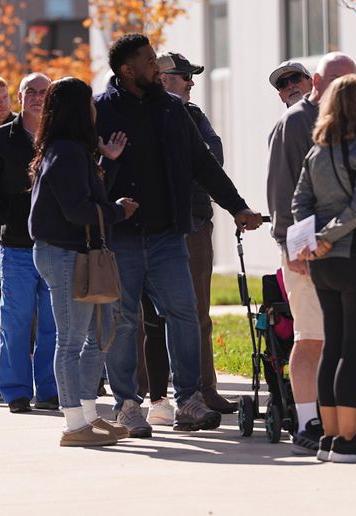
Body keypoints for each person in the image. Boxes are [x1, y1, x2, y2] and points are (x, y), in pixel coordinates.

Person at [95, 33, 263, 438]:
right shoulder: (100, 111)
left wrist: (236, 206)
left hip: (169, 234)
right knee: (124, 321)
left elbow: (203, 164)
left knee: (185, 314)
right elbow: (86, 173)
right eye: (150, 62)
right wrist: (109, 171)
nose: (157, 67)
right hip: (121, 237)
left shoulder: (172, 109)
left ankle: (188, 400)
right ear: (127, 70)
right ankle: (127, 406)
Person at [292, 74, 356, 463]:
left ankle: (330, 439)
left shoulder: (316, 152)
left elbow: (299, 202)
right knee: (353, 353)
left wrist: (311, 241)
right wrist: (329, 236)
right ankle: (349, 440)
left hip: (324, 266)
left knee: (333, 348)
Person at [29, 77, 137, 446]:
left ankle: (89, 414)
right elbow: (78, 209)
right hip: (63, 253)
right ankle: (74, 425)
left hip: (76, 252)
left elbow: (88, 198)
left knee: (96, 339)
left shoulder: (70, 150)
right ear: (79, 109)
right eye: (89, 102)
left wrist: (110, 165)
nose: (95, 108)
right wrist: (117, 212)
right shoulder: (65, 151)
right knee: (72, 340)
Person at [134, 51, 234, 426]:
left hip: (194, 223)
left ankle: (203, 390)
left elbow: (213, 156)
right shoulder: (137, 114)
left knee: (196, 312)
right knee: (146, 317)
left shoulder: (193, 116)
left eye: (191, 76)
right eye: (183, 75)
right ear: (161, 78)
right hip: (148, 229)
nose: (191, 82)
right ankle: (145, 391)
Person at [266, 52, 356, 455]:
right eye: (338, 80)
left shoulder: (353, 119)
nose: (347, 88)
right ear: (318, 82)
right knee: (311, 339)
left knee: (341, 340)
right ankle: (307, 422)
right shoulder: (295, 122)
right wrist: (294, 246)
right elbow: (283, 192)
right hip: (309, 250)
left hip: (348, 250)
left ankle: (343, 424)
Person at [0, 72, 59, 413]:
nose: (38, 97)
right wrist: (5, 217)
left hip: (56, 245)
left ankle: (50, 390)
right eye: (31, 91)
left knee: (53, 323)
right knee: (16, 320)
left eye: (44, 91)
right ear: (20, 97)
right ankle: (16, 391)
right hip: (17, 246)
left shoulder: (61, 137)